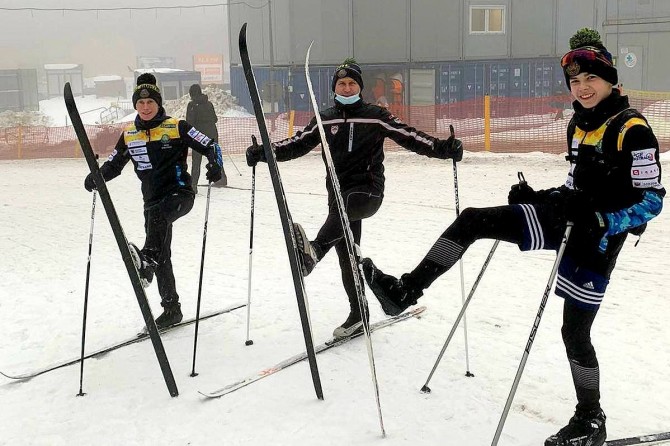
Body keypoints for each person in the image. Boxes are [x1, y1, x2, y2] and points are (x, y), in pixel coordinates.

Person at [361, 29, 664, 446]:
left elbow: (651, 203)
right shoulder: (579, 123)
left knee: (574, 333)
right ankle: (404, 291)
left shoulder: (633, 129)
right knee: (472, 221)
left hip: (597, 238)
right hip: (566, 218)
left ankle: (591, 419)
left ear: (610, 78)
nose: (582, 88)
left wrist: (600, 219)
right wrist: (539, 196)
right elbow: (575, 185)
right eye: (575, 82)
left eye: (590, 79)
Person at [245, 58, 463, 339]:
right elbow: (296, 144)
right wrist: (263, 152)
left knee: (346, 209)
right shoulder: (325, 119)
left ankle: (312, 254)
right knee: (348, 256)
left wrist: (444, 148)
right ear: (335, 87)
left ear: (360, 87)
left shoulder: (375, 116)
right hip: (337, 197)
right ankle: (358, 314)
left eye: (352, 84)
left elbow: (410, 136)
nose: (347, 88)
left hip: (367, 192)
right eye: (342, 83)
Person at [84, 73, 223, 329]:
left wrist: (216, 166)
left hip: (180, 195)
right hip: (151, 201)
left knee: (156, 235)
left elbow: (211, 146)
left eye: (150, 103)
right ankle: (171, 308)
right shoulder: (129, 134)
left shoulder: (176, 126)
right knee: (163, 254)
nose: (146, 108)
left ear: (158, 104)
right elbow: (115, 165)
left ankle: (146, 262)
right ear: (136, 105)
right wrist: (97, 177)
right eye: (141, 104)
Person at [186, 83, 227, 193]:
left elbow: (189, 123)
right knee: (214, 157)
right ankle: (222, 178)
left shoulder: (192, 105)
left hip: (199, 137)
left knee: (196, 161)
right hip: (212, 133)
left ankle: (193, 184)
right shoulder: (209, 104)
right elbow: (215, 119)